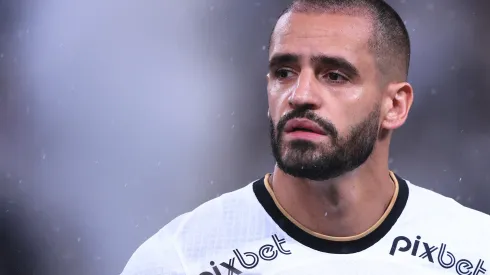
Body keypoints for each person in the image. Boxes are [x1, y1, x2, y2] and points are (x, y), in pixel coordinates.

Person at [121, 0, 490, 274]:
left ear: (395, 105)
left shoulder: (474, 254)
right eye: (284, 72)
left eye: (334, 75)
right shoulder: (180, 260)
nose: (300, 95)